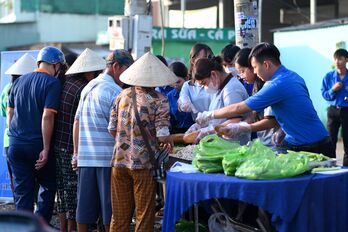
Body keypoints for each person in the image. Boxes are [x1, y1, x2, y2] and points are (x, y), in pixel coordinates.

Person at [196, 42, 335, 157]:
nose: (255, 72)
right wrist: (284, 129)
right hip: (299, 142)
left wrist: (210, 115)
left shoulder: (276, 84)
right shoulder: (293, 76)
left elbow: (240, 108)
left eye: (255, 67)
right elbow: (288, 113)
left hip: (314, 147)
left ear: (267, 64)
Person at [108, 52, 175, 232]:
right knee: (143, 216)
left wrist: (126, 141)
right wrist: (170, 141)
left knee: (119, 216)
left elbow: (112, 129)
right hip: (143, 165)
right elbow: (162, 135)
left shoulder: (121, 96)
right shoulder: (159, 100)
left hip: (118, 162)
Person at [71, 49, 133, 232]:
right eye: (127, 70)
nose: (128, 77)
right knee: (110, 209)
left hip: (85, 157)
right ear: (116, 67)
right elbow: (118, 130)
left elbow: (77, 122)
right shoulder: (115, 92)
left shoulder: (88, 86)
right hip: (107, 159)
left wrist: (76, 153)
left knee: (84, 208)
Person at [7, 46, 65, 223]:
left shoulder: (18, 82)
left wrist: (15, 137)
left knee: (22, 192)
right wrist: (46, 149)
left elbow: (10, 113)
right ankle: (40, 227)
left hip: (16, 144)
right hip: (37, 145)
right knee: (47, 187)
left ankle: (23, 227)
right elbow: (48, 115)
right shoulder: (52, 83)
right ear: (55, 65)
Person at [53, 48, 105, 232]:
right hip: (71, 146)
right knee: (75, 194)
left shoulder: (64, 82)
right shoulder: (83, 88)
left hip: (58, 143)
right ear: (89, 71)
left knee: (62, 193)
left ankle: (64, 229)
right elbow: (79, 122)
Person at [221, 48, 280, 148]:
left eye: (242, 71)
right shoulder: (256, 86)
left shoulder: (269, 86)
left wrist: (243, 128)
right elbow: (254, 114)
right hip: (265, 141)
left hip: (275, 142)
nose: (241, 76)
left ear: (252, 67)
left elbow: (271, 121)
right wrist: (240, 126)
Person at [187, 56, 249, 144]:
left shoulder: (231, 90)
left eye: (204, 83)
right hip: (222, 145)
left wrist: (209, 130)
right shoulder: (219, 89)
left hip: (235, 145)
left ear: (214, 74)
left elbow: (235, 121)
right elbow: (218, 117)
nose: (205, 88)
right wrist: (200, 125)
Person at [1, 53, 37, 200]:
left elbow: (4, 112)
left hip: (10, 141)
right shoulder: (32, 88)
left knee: (16, 181)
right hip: (30, 139)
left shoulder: (7, 89)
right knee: (34, 180)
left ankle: (19, 212)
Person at [321, 48, 348, 165]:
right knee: (331, 140)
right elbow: (325, 95)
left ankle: (346, 170)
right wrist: (333, 89)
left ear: (346, 60)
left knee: (347, 141)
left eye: (340, 59)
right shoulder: (328, 77)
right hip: (333, 111)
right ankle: (331, 167)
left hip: (347, 111)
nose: (337, 61)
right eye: (336, 59)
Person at [178, 43, 214, 119]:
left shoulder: (216, 81)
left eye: (209, 58)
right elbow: (182, 103)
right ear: (193, 61)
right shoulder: (187, 85)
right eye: (204, 58)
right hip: (199, 126)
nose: (207, 61)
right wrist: (182, 104)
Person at [166, 62, 194, 133]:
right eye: (172, 82)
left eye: (178, 82)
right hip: (176, 133)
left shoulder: (195, 94)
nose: (175, 85)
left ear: (187, 78)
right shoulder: (169, 96)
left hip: (195, 131)